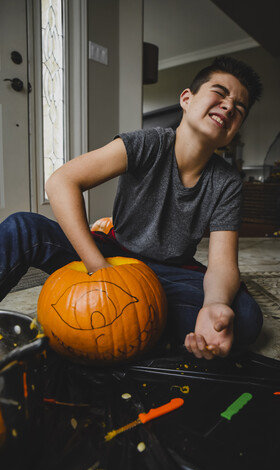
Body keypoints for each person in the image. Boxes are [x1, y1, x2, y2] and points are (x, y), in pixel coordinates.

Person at [0, 55, 263, 360]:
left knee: (243, 316)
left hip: (168, 272)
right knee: (23, 227)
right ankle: (148, 321)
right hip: (110, 254)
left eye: (239, 108)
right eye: (220, 93)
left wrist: (214, 304)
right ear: (187, 99)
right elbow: (62, 181)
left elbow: (222, 264)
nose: (229, 106)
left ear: (234, 130)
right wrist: (98, 268)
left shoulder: (228, 181)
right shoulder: (146, 144)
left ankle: (141, 321)